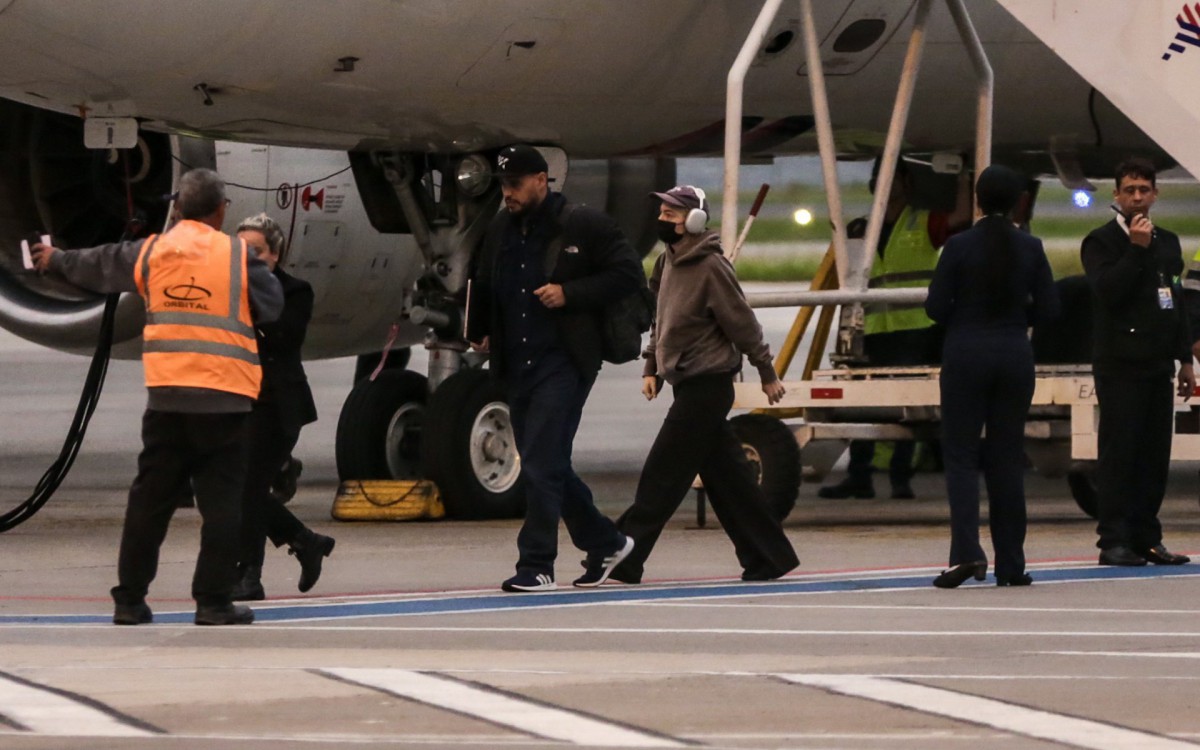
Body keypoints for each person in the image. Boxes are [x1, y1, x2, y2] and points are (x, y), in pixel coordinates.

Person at [31, 168, 283, 625]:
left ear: (178, 207)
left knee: (149, 503)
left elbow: (100, 263)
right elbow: (273, 305)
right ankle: (213, 602)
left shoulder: (153, 251)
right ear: (221, 210)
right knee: (223, 507)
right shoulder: (237, 256)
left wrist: (55, 258)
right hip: (225, 400)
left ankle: (129, 600)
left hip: (167, 400)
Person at [468, 144, 640, 592]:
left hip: (564, 360)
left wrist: (571, 293)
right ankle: (606, 542)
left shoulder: (583, 224)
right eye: (503, 184)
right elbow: (485, 282)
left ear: (542, 180)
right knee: (549, 465)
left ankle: (537, 565)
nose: (507, 192)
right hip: (517, 363)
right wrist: (479, 328)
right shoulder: (501, 227)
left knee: (542, 463)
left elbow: (628, 276)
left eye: (515, 184)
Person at [609, 185, 800, 584]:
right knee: (731, 482)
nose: (663, 220)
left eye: (672, 214)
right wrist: (652, 367)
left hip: (708, 386)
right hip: (685, 383)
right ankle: (770, 557)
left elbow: (743, 324)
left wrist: (766, 372)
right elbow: (661, 321)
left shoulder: (712, 267)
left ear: (695, 219)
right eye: (661, 212)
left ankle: (623, 553)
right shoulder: (667, 263)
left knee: (663, 472)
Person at [924, 165, 1060, 588]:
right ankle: (1012, 564)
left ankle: (967, 553)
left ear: (979, 200)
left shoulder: (959, 246)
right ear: (1020, 201)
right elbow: (1051, 309)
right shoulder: (1031, 247)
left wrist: (962, 318)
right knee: (1006, 459)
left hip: (966, 352)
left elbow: (934, 306)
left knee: (962, 458)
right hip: (1013, 353)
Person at [818, 158, 971, 501]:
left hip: (915, 329)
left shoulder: (922, 220)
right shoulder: (864, 228)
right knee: (863, 406)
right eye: (879, 176)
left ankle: (901, 478)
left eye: (893, 176)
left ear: (907, 183)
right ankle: (861, 476)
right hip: (873, 328)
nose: (884, 182)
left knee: (908, 407)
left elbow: (962, 216)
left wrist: (962, 175)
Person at [1082, 157, 1194, 567]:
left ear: (1155, 195)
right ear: (1116, 195)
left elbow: (1175, 300)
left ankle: (1147, 536)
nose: (1136, 197)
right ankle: (1113, 539)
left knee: (1152, 456)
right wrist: (1135, 249)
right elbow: (1108, 292)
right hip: (1119, 363)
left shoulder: (1168, 241)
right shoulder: (1100, 242)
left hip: (1157, 363)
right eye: (1129, 190)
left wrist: (1184, 358)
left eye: (1144, 190)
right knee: (1120, 454)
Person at [229, 213, 333, 601]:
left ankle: (249, 575)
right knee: (240, 487)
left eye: (255, 252)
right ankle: (306, 541)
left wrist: (252, 300)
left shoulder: (295, 291)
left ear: (275, 254)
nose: (247, 260)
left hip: (278, 403)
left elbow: (284, 338)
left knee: (249, 485)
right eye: (239, 252)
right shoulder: (228, 291)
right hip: (238, 399)